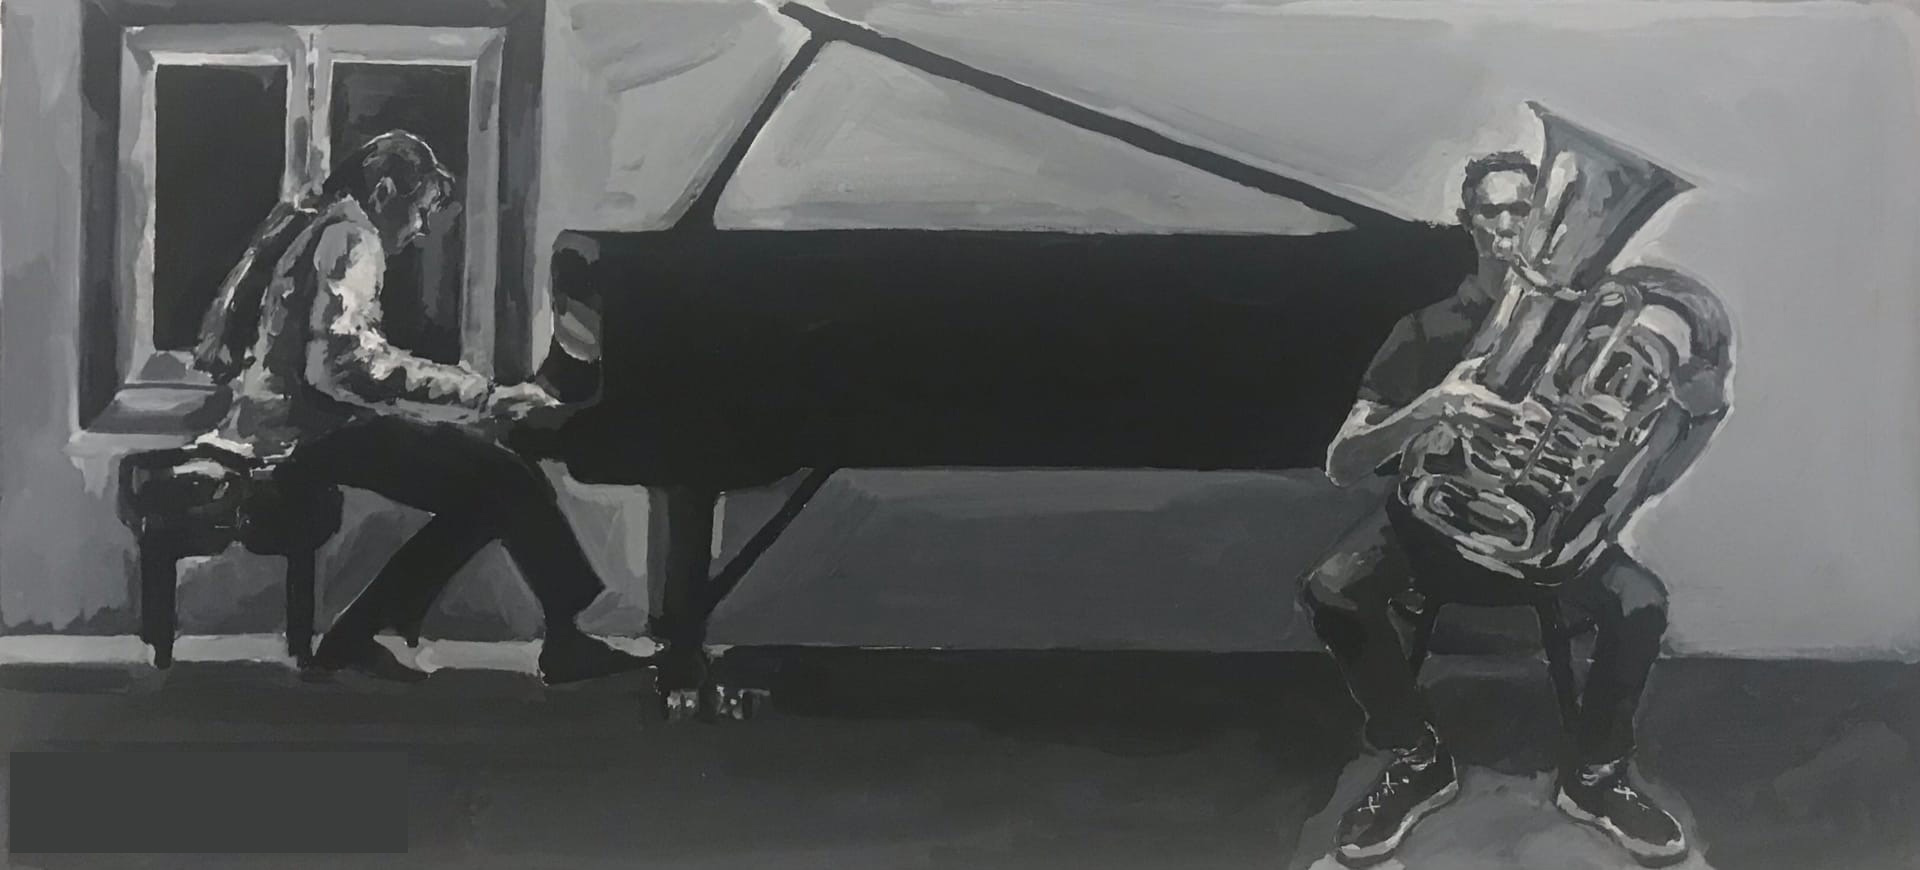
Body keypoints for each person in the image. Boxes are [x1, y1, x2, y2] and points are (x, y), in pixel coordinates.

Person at [1302, 152, 1733, 867]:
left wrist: (1701, 416)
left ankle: (1596, 775)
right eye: (1492, 211)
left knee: (1641, 603)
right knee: (1332, 589)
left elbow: (1646, 479)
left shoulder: (1603, 334)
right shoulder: (1425, 331)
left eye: (1521, 212)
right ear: (1468, 222)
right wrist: (1433, 407)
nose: (1508, 227)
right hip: (1431, 527)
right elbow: (1343, 462)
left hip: (1544, 540)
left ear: (1542, 225)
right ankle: (1417, 758)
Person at [197, 130, 648, 686]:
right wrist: (484, 396)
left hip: (285, 426)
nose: (422, 230)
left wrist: (463, 405)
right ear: (386, 192)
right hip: (302, 436)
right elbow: (343, 369)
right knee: (507, 478)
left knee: (487, 491)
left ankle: (361, 635)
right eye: (422, 211)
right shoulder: (351, 238)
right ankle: (561, 640)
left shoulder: (322, 225)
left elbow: (342, 366)